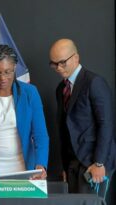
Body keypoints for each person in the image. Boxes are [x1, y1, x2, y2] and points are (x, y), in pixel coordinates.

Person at [0, 45, 49, 193]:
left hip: (24, 168)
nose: (3, 78)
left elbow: (40, 135)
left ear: (15, 67)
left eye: (8, 72)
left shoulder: (30, 93)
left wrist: (41, 164)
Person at [49, 39, 115, 197]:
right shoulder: (61, 89)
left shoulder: (94, 82)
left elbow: (106, 125)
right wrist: (65, 166)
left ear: (76, 58)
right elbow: (64, 128)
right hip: (73, 164)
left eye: (62, 62)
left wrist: (99, 162)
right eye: (54, 64)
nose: (58, 68)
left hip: (94, 162)